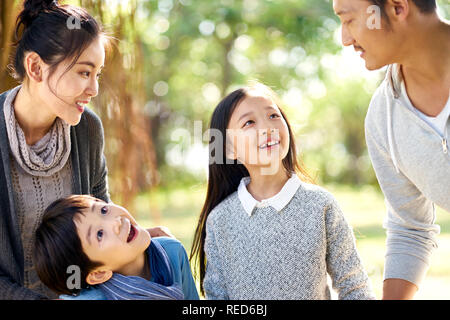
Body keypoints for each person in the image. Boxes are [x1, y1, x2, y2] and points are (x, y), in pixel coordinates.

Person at [0, 0, 170, 300]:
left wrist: (136, 239)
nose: (94, 89)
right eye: (83, 72)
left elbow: (98, 212)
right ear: (36, 67)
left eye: (98, 74)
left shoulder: (86, 129)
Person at [190, 82, 375, 300]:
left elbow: (355, 287)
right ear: (229, 149)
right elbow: (217, 297)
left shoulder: (321, 205)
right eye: (249, 122)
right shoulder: (219, 220)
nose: (267, 128)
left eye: (273, 116)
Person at [332, 0, 450, 299]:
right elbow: (410, 230)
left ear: (397, 7)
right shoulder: (382, 119)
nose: (345, 39)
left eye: (349, 20)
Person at [32, 195, 199, 300]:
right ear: (98, 274)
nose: (116, 222)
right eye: (99, 234)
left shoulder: (172, 252)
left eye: (103, 210)